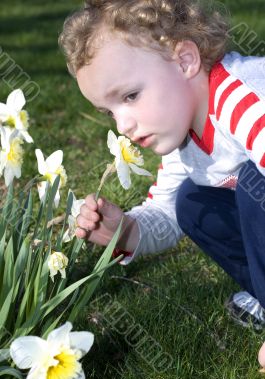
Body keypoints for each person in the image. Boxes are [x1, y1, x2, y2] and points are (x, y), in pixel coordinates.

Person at [59, 0, 265, 357]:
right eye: (110, 111)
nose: (123, 125)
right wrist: (123, 231)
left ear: (185, 61)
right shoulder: (181, 133)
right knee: (192, 203)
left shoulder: (244, 101)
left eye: (131, 96)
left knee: (255, 185)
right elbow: (168, 216)